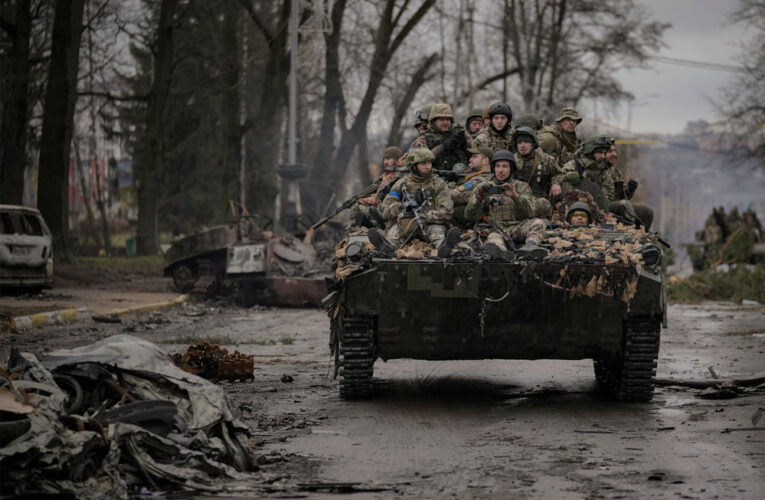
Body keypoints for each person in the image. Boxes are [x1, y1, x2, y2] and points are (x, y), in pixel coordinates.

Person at [373, 148, 458, 257]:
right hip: (405, 225)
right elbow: (385, 209)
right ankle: (386, 249)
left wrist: (425, 215)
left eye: (429, 163)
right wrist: (401, 208)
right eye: (423, 163)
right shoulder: (401, 184)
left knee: (437, 235)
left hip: (430, 225)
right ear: (413, 165)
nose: (428, 167)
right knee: (392, 236)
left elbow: (446, 212)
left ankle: (444, 249)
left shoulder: (439, 184)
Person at [464, 150, 548, 260]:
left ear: (511, 169)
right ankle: (502, 254)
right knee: (494, 240)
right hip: (493, 229)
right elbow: (469, 215)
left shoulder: (521, 186)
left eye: (505, 166)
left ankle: (530, 247)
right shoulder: (483, 187)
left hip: (516, 227)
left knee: (539, 223)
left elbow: (529, 213)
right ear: (493, 168)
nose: (500, 170)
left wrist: (515, 197)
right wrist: (478, 197)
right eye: (497, 166)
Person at [511, 126, 562, 218]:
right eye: (519, 142)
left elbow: (558, 174)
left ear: (533, 143)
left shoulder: (546, 160)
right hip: (517, 199)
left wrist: (555, 183)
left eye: (526, 142)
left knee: (542, 204)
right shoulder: (511, 161)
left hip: (539, 199)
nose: (522, 145)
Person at [603, 141, 654, 229]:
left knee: (647, 212)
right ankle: (630, 227)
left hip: (616, 207)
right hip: (602, 208)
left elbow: (620, 195)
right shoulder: (593, 170)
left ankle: (638, 237)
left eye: (614, 151)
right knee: (622, 205)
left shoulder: (614, 173)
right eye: (610, 151)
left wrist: (629, 190)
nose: (614, 154)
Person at [410, 103, 470, 174]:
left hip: (461, 176)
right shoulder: (423, 138)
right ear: (434, 121)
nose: (445, 123)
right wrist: (442, 147)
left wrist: (466, 145)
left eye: (448, 119)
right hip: (434, 177)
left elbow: (478, 155)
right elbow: (417, 160)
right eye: (441, 119)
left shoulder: (459, 132)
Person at [451, 145, 494, 228]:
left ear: (485, 161)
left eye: (475, 157)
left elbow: (454, 196)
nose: (470, 159)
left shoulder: (479, 180)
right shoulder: (487, 177)